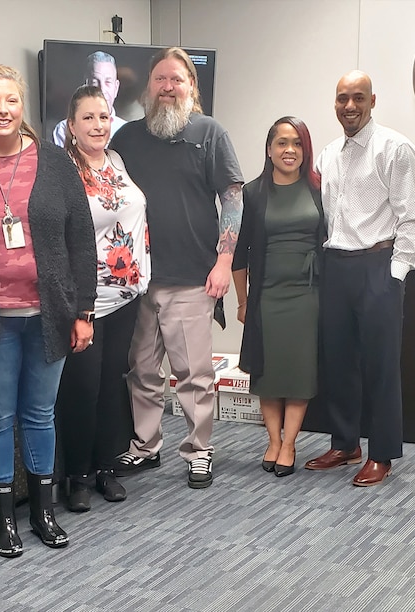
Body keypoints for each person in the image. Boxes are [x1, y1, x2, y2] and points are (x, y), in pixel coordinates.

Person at [0, 64, 97, 556]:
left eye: (11, 100)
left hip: (49, 314)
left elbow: (81, 240)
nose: (3, 110)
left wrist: (83, 311)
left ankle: (43, 512)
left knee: (40, 414)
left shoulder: (54, 162)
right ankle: (5, 518)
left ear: (21, 106)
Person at [110, 47, 244, 489]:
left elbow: (232, 198)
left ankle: (199, 449)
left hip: (191, 275)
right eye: (160, 80)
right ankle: (145, 446)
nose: (168, 87)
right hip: (136, 280)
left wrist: (224, 261)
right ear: (148, 87)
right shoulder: (126, 138)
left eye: (177, 79)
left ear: (191, 87)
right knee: (142, 370)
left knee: (194, 375)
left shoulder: (209, 133)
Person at [305, 70, 415, 487]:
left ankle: (381, 453)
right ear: (335, 103)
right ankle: (345, 444)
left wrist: (395, 275)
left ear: (372, 101)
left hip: (379, 265)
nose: (350, 106)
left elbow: (413, 220)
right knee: (339, 361)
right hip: (336, 267)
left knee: (380, 365)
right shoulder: (327, 155)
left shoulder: (395, 149)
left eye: (358, 98)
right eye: (342, 98)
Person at [55, 85, 150, 511]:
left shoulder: (117, 161)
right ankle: (77, 476)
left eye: (104, 117)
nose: (98, 125)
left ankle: (106, 469)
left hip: (125, 296)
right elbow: (61, 239)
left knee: (113, 385)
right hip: (85, 301)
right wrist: (78, 305)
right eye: (88, 118)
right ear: (71, 126)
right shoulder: (61, 170)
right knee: (82, 389)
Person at [231, 116, 326, 478]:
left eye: (297, 143)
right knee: (268, 373)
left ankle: (289, 443)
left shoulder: (319, 188)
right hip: (267, 295)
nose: (290, 150)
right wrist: (242, 301)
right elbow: (239, 254)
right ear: (269, 150)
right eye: (282, 143)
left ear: (305, 150)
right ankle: (273, 440)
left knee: (300, 372)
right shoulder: (252, 193)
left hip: (308, 295)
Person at [53, 51, 128, 147]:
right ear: (86, 85)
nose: (102, 89)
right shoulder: (63, 129)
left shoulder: (127, 130)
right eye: (95, 81)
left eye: (108, 82)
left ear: (116, 88)